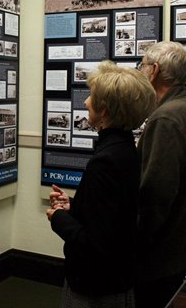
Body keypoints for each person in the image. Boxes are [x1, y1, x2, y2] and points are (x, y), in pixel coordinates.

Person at [47, 61, 156, 308]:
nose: (86, 102)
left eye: (92, 96)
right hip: (118, 279)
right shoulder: (127, 150)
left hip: (95, 288)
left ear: (104, 110)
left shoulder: (106, 161)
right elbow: (110, 218)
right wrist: (74, 207)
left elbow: (96, 245)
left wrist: (59, 218)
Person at [135, 41, 186, 308]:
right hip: (180, 250)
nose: (140, 70)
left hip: (162, 256)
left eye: (142, 65)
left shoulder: (167, 118)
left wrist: (135, 243)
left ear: (154, 70)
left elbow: (156, 192)